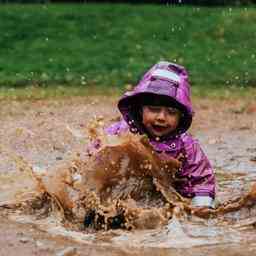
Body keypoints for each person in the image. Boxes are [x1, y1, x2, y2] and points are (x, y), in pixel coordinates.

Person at [105, 61, 215, 209]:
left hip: (162, 200)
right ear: (139, 109)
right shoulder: (120, 133)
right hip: (119, 196)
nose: (161, 117)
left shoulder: (186, 146)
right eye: (154, 109)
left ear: (181, 117)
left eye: (171, 112)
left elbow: (201, 180)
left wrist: (202, 206)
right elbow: (94, 158)